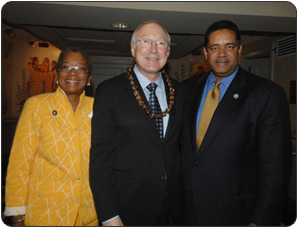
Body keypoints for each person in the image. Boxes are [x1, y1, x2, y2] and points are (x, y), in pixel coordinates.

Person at [181, 20, 292, 226]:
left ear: (239, 49)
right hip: (187, 212)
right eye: (215, 47)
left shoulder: (266, 94)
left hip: (236, 215)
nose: (221, 54)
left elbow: (276, 169)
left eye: (229, 46)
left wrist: (260, 221)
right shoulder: (186, 89)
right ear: (205, 52)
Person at [89, 21, 185, 226]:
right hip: (128, 208)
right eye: (146, 41)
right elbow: (100, 159)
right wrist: (108, 215)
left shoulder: (181, 91)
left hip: (175, 209)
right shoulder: (109, 91)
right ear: (133, 49)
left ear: (167, 52)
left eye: (160, 43)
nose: (153, 49)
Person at [4, 47, 98, 226]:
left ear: (89, 79)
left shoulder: (99, 109)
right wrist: (17, 214)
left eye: (80, 68)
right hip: (45, 213)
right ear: (57, 75)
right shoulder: (36, 106)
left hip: (88, 214)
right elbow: (19, 164)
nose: (72, 73)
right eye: (66, 67)